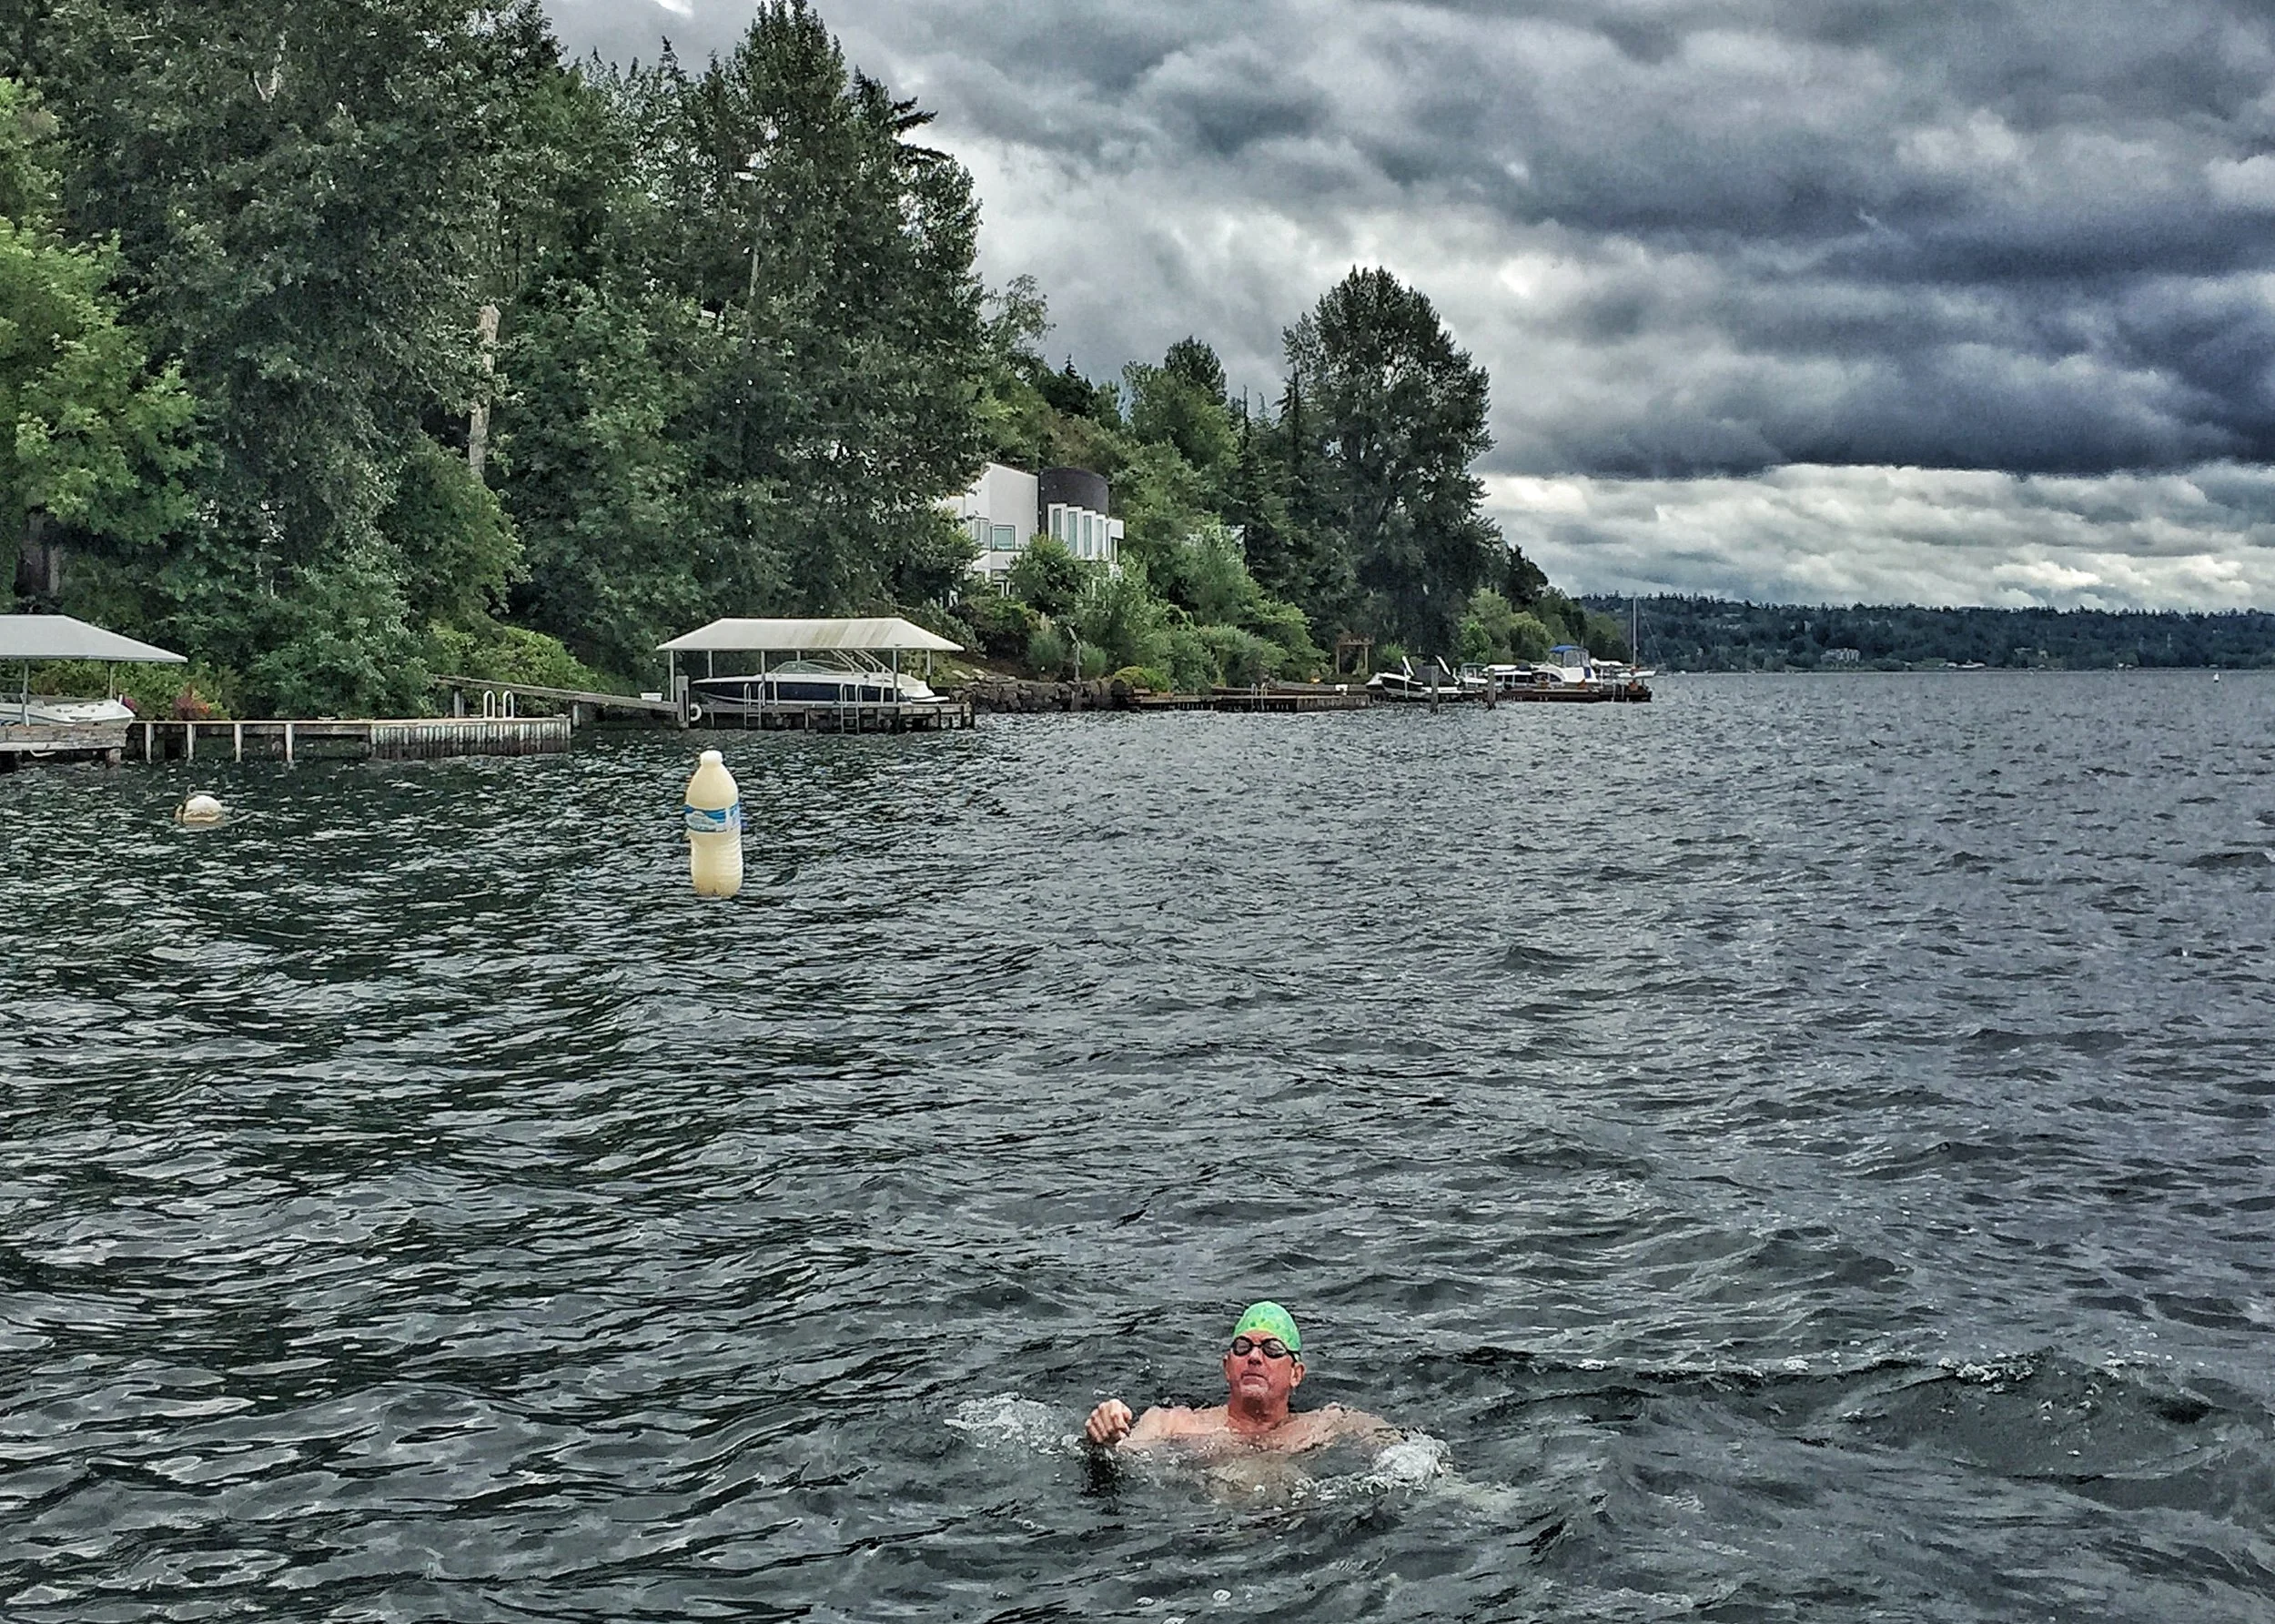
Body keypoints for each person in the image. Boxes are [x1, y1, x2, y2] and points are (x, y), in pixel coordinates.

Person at [1083, 1301, 1398, 1456]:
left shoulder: (1327, 1426)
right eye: (1243, 1347)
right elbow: (1125, 1453)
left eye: (1272, 1349)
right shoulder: (1174, 1424)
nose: (1255, 1357)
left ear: (1296, 1374)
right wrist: (1106, 1437)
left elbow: (1403, 1453)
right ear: (1227, 1367)